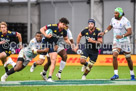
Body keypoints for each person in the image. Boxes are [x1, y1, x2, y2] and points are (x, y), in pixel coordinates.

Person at [98, 7, 135, 80]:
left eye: (116, 13)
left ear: (120, 14)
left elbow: (130, 32)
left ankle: (132, 74)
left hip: (125, 41)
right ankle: (116, 74)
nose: (114, 14)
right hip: (116, 41)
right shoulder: (113, 19)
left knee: (128, 58)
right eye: (114, 13)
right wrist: (104, 32)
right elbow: (110, 26)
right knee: (114, 56)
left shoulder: (125, 21)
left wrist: (122, 36)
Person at [40, 17, 72, 82]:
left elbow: (66, 39)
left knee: (54, 60)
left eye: (65, 25)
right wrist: (46, 35)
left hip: (53, 45)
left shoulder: (64, 31)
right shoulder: (52, 26)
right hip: (45, 43)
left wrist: (70, 43)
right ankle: (37, 66)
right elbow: (41, 29)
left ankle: (49, 77)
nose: (64, 26)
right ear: (59, 23)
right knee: (41, 61)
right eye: (63, 24)